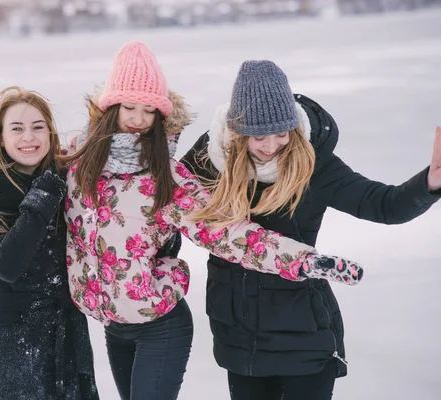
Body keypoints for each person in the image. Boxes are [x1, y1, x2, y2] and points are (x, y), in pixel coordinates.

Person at [59, 42, 362, 400]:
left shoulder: (167, 179)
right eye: (129, 107)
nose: (139, 119)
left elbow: (227, 232)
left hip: (158, 317)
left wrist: (306, 260)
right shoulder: (76, 163)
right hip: (112, 322)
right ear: (109, 108)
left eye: (149, 110)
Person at [181, 60, 441, 400]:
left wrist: (430, 183)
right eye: (258, 135)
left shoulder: (312, 164)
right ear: (237, 131)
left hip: (303, 334)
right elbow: (168, 206)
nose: (271, 145)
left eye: (280, 132)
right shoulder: (211, 157)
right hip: (238, 337)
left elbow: (384, 204)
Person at [0, 86, 99, 400]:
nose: (28, 137)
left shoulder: (66, 179)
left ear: (49, 132)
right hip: (15, 343)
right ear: (1, 137)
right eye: (16, 129)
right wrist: (44, 197)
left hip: (69, 332)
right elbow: (8, 264)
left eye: (37, 127)